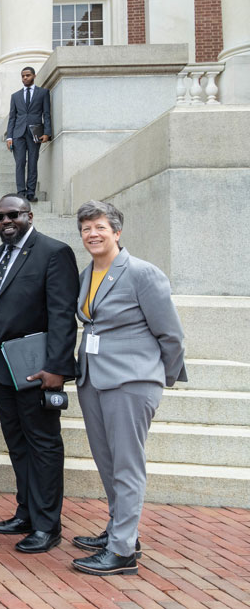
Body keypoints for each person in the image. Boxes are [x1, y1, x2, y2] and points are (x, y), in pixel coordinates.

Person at [69, 201, 186, 576]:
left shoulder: (141, 273)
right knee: (108, 463)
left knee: (127, 465)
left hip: (131, 382)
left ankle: (121, 554)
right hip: (94, 380)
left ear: (116, 232)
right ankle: (122, 532)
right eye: (86, 228)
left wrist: (156, 377)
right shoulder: (88, 273)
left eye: (100, 227)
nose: (93, 234)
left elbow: (171, 334)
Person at [0, 194, 79, 554]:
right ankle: (26, 512)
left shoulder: (54, 252)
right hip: (0, 370)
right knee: (18, 446)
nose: (6, 221)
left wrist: (57, 367)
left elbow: (63, 315)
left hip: (36, 370)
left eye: (13, 215)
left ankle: (47, 525)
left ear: (29, 215)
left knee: (43, 446)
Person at [6, 67, 52, 202]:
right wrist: (9, 137)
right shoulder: (15, 96)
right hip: (18, 134)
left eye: (27, 75)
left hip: (35, 133)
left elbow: (47, 114)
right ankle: (21, 192)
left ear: (34, 76)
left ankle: (31, 193)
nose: (25, 78)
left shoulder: (43, 93)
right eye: (23, 76)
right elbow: (12, 118)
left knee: (33, 162)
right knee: (20, 163)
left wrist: (47, 132)